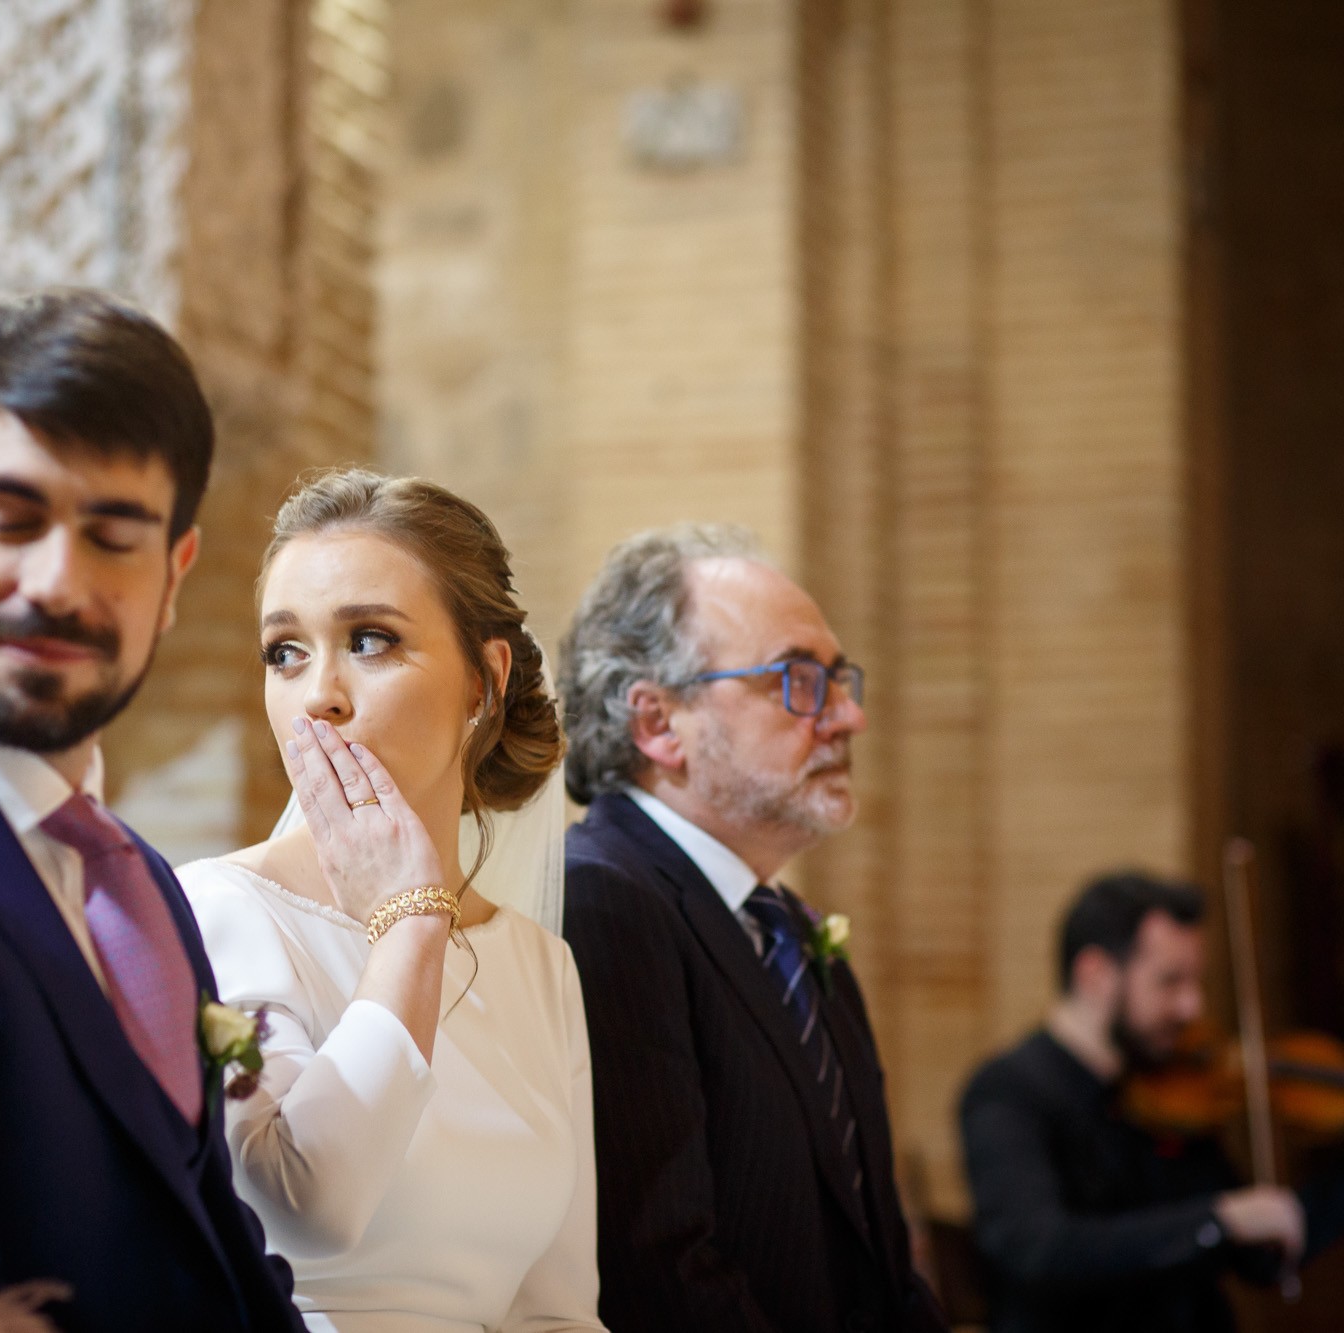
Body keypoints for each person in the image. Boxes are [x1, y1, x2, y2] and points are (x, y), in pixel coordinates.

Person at [0, 292, 303, 1333]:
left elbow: (210, 1240)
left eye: (114, 536)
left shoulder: (139, 880)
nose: (58, 582)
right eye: (9, 519)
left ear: (174, 576)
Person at [178, 469, 604, 1333]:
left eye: (369, 640)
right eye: (285, 651)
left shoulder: (540, 965)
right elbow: (307, 1208)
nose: (318, 695)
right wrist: (411, 922)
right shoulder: (219, 910)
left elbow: (558, 1309)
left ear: (484, 681)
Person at [558, 524, 945, 1333]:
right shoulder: (603, 900)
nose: (848, 716)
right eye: (798, 680)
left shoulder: (788, 927)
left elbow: (878, 1260)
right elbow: (659, 1270)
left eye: (839, 680)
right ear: (659, 723)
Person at [959, 870, 1344, 1333]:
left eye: (1195, 982)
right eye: (1170, 982)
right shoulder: (1008, 1092)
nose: (1192, 1007)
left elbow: (1259, 1256)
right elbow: (1039, 1249)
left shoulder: (1172, 1092)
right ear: (1095, 974)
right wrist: (1218, 1219)